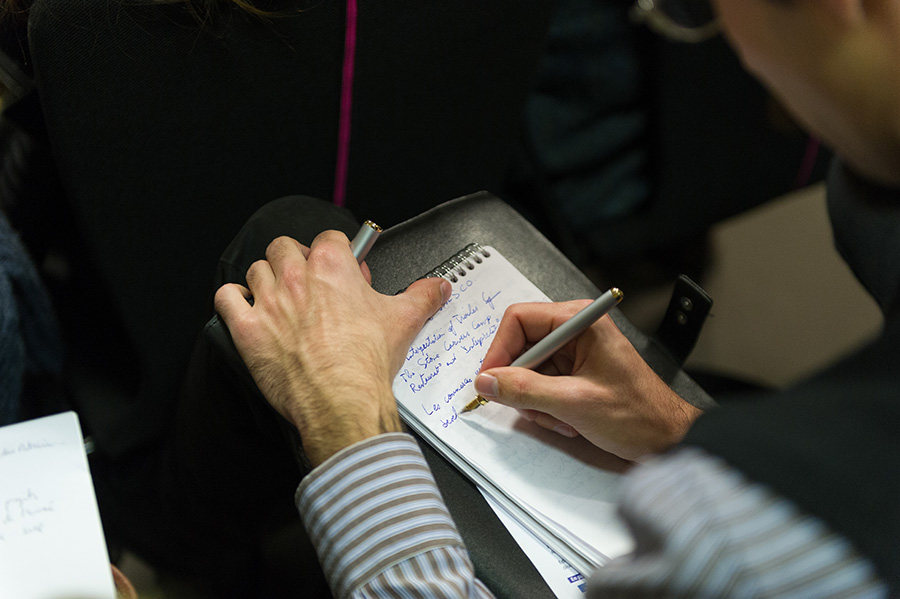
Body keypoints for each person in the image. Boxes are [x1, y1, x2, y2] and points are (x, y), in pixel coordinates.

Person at [214, 0, 900, 596]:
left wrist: (345, 415)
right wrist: (674, 426)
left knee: (284, 241)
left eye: (694, 9)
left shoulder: (767, 523)